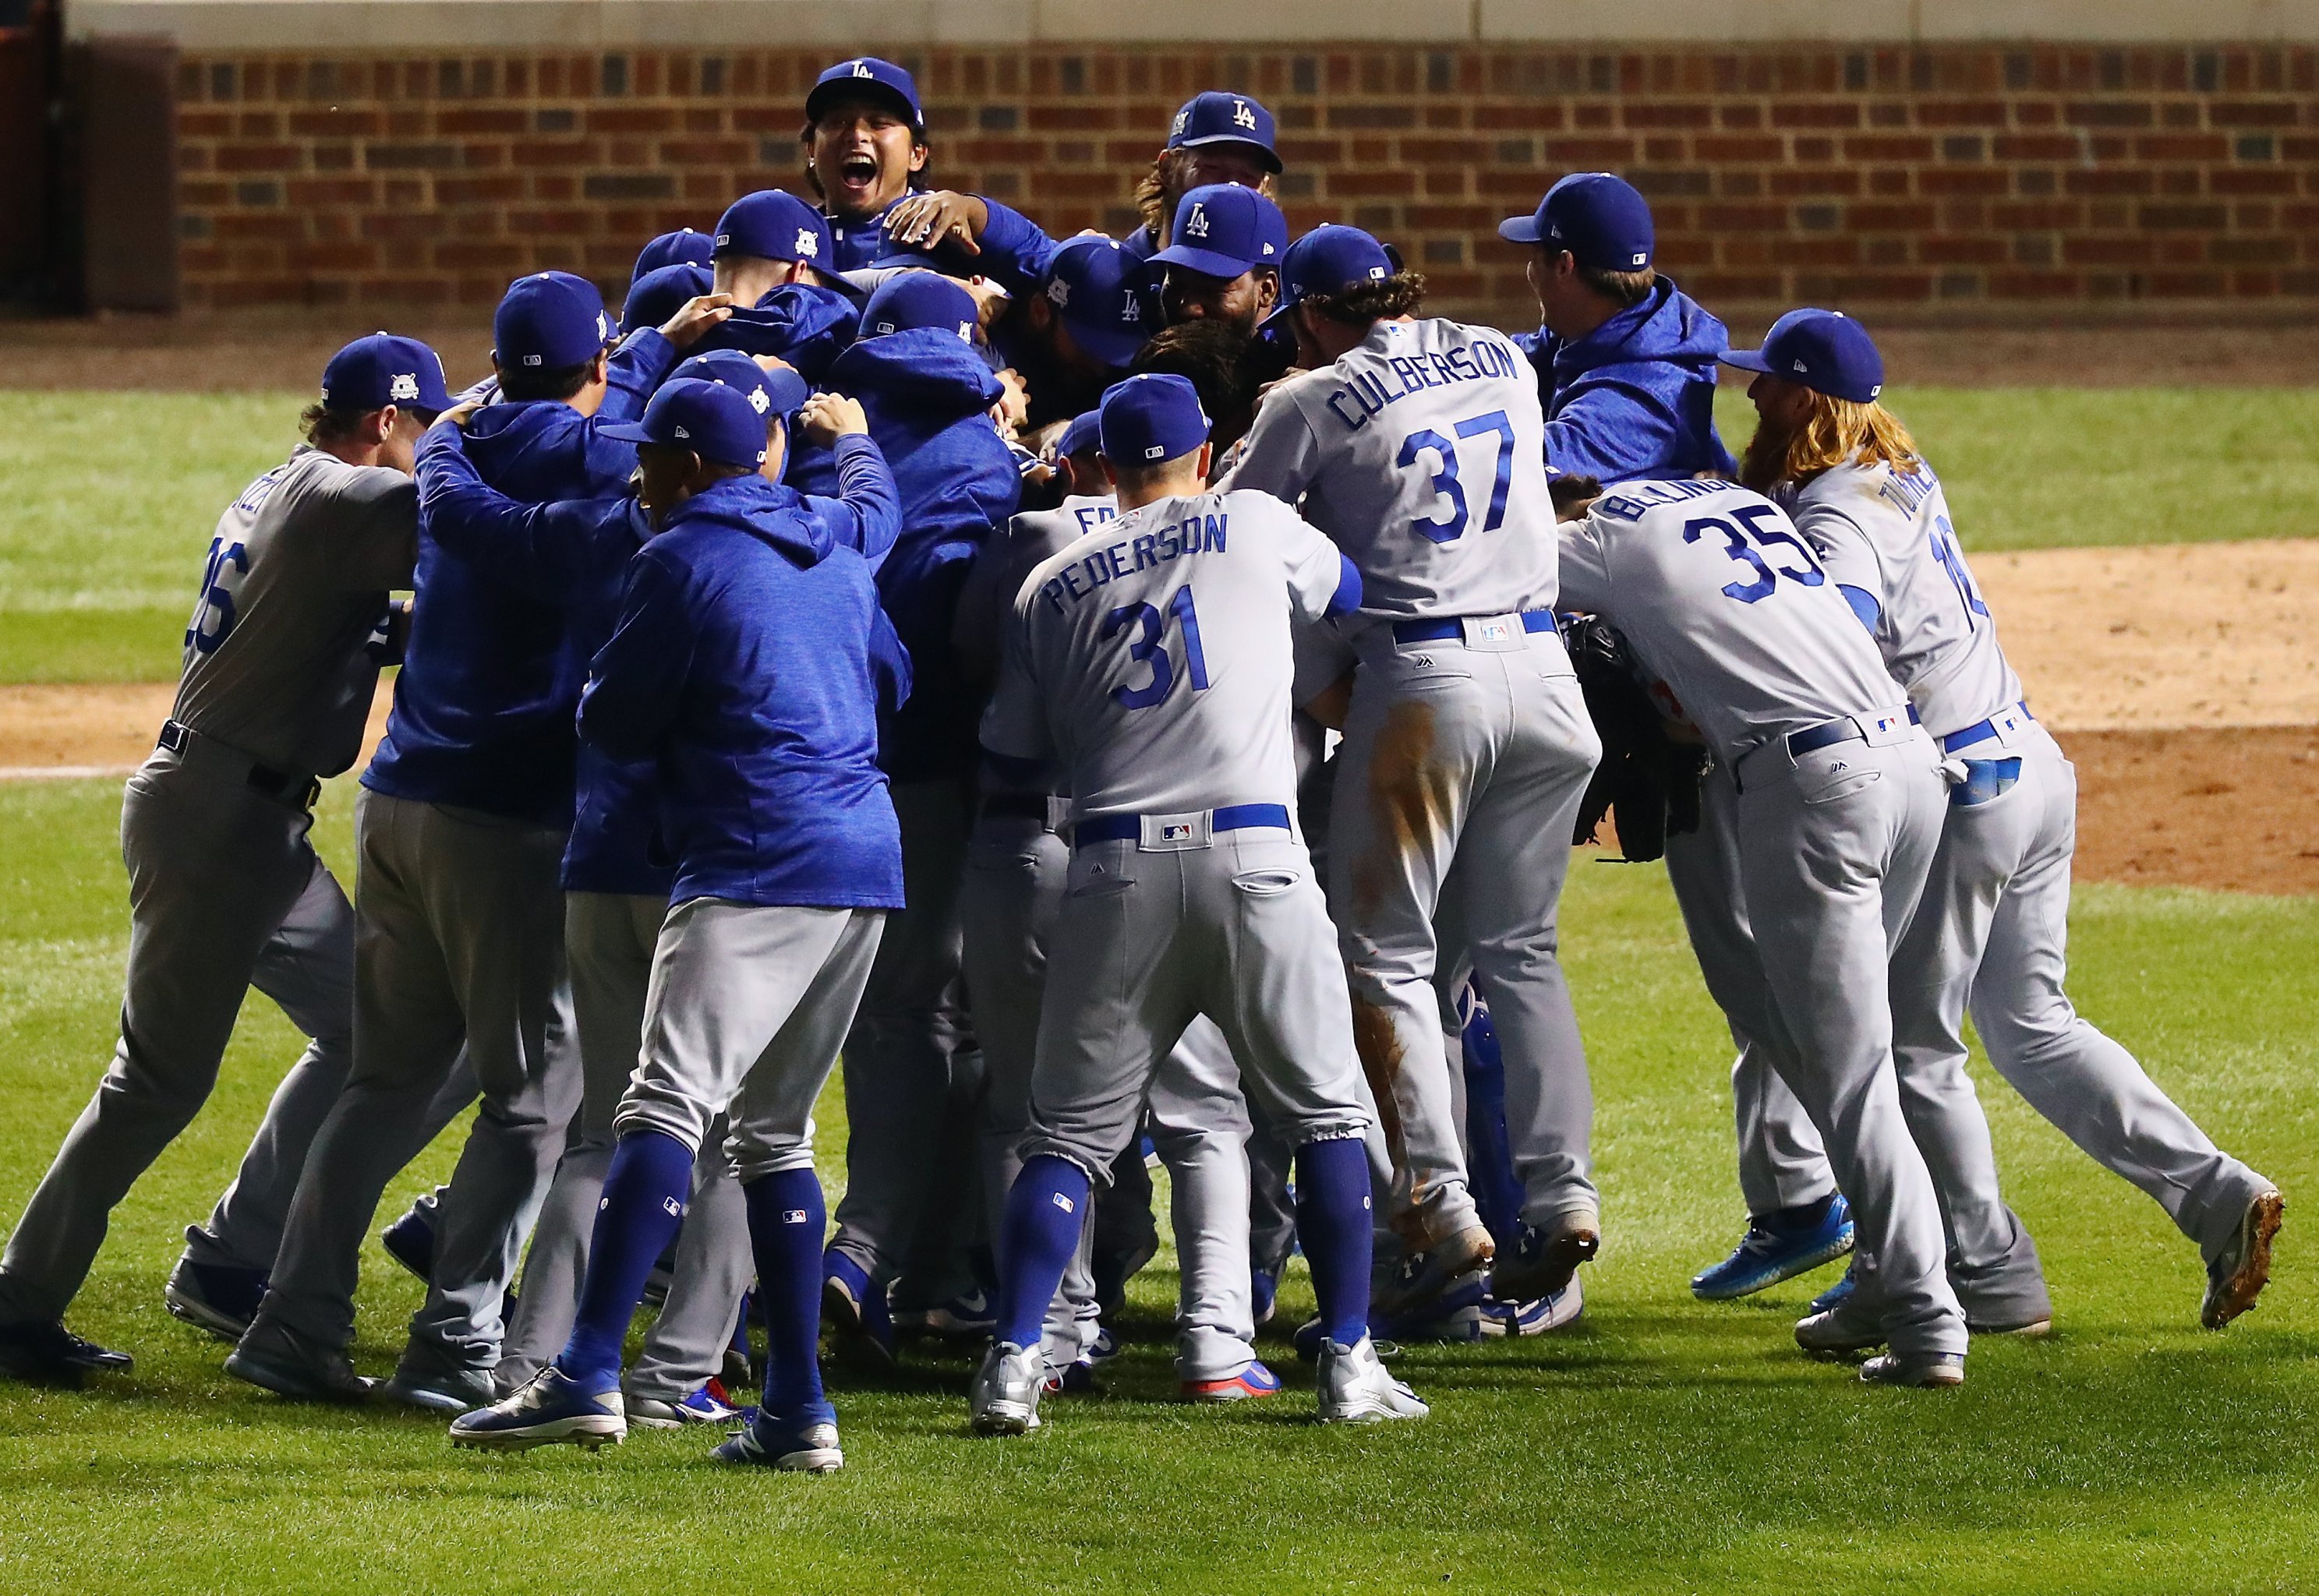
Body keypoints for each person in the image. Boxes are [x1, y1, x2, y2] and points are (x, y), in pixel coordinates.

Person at [1722, 308, 2284, 1332]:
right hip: (2028, 765)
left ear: (1803, 396)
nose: (1747, 394)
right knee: (2029, 1027)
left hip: (1964, 793)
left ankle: (1977, 1273)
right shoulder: (1894, 467)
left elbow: (1835, 638)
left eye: (1764, 381)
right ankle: (2217, 1197)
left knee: (1904, 1048)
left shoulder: (1835, 514)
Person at [224, 278, 727, 1411]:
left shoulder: (467, 431)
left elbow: (563, 402)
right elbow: (646, 441)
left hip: (398, 801)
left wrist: (634, 343)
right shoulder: (597, 462)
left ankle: (291, 1318)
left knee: (383, 1079)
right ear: (595, 370)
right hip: (500, 819)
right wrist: (660, 348)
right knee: (535, 1099)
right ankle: (455, 1343)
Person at [419, 348, 901, 1422]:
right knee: (774, 1136)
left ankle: (580, 1373)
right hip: (863, 862)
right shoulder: (839, 546)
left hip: (740, 857)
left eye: (653, 460)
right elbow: (890, 661)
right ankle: (791, 1409)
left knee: (649, 1110)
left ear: (689, 468)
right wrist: (857, 443)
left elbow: (615, 720)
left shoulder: (675, 557)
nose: (639, 476)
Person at [970, 373, 1423, 1432]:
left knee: (1065, 1141)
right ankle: (1347, 1363)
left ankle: (1009, 1363)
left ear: (1100, 465)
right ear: (1205, 451)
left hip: (1112, 866)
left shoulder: (1050, 579)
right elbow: (1352, 594)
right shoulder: (1256, 523)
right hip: (1255, 857)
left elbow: (1015, 750)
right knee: (1321, 1118)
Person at [0, 335, 446, 1386]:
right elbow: (470, 533)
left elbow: (314, 615)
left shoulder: (285, 485)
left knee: (370, 1030)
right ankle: (18, 1300)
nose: (429, 449)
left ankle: (231, 1258)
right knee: (154, 1083)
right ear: (386, 421)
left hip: (246, 818)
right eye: (423, 428)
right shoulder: (352, 501)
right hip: (218, 819)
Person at [1223, 225, 1602, 1326]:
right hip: (1547, 675)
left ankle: (1438, 1214)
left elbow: (1244, 538)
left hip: (1426, 682)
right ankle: (1562, 1195)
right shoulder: (1499, 354)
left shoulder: (1303, 400)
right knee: (1520, 953)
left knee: (1381, 956)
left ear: (1303, 314)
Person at [1557, 475, 1968, 1387]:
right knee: (1805, 1036)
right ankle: (1878, 1279)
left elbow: (1489, 575)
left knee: (1846, 1068)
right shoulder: (1744, 509)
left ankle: (1928, 1321)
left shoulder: (1606, 541)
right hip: (1910, 767)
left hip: (1816, 787)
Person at [796, 271, 1023, 1350]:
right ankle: (901, 1258)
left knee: (863, 1023)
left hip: (817, 767)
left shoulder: (823, 443)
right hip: (943, 776)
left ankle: (882, 1258)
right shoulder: (990, 462)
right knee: (946, 1020)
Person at [1500, 172, 1734, 482]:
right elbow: (1504, 360)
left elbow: (1502, 470)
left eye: (1534, 258)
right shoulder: (1616, 324)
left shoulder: (1640, 405)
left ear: (1563, 266)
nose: (1529, 272)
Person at [800, 56, 931, 270]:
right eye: (839, 122)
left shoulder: (948, 233)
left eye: (879, 124)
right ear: (811, 150)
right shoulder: (787, 237)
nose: (857, 134)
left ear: (916, 155)